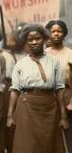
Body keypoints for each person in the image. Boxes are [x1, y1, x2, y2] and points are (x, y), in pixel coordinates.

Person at [7, 23, 69, 153]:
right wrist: (10, 116)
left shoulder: (54, 61)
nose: (34, 42)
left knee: (50, 144)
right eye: (30, 40)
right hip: (27, 107)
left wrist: (63, 116)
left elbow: (59, 89)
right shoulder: (21, 64)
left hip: (49, 107)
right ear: (26, 42)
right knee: (29, 145)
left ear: (45, 39)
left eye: (37, 38)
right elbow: (15, 90)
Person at [45, 20, 72, 152]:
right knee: (51, 133)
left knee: (69, 132)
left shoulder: (70, 53)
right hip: (48, 97)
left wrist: (71, 102)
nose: (56, 34)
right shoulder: (43, 54)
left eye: (59, 31)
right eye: (53, 31)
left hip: (67, 95)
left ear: (64, 33)